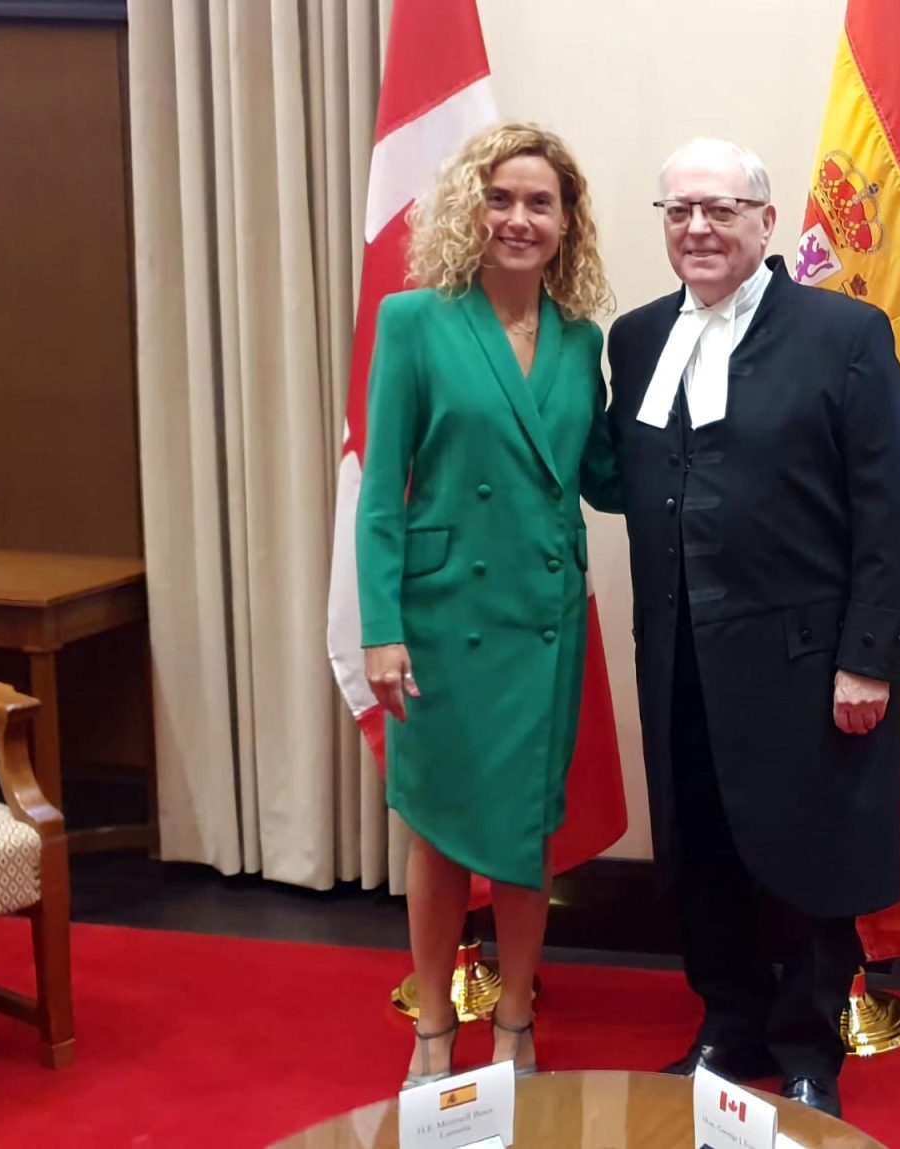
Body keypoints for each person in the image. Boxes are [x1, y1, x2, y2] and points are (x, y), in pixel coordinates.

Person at [603, 138, 900, 1119]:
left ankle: (805, 1047)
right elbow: (623, 475)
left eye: (721, 209)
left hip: (805, 660)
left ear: (765, 221)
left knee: (811, 853)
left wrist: (868, 660)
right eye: (679, 211)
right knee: (701, 849)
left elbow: (893, 508)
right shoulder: (636, 337)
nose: (698, 228)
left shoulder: (845, 333)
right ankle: (725, 1020)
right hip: (681, 658)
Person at [356, 122, 622, 1088]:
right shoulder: (414, 320)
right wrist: (380, 628)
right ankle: (434, 1025)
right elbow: (384, 490)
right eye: (501, 198)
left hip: (541, 619)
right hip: (440, 622)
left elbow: (601, 474)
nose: (518, 217)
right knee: (434, 824)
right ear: (474, 207)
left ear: (565, 222)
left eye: (539, 202)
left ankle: (514, 1020)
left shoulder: (582, 339)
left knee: (524, 830)